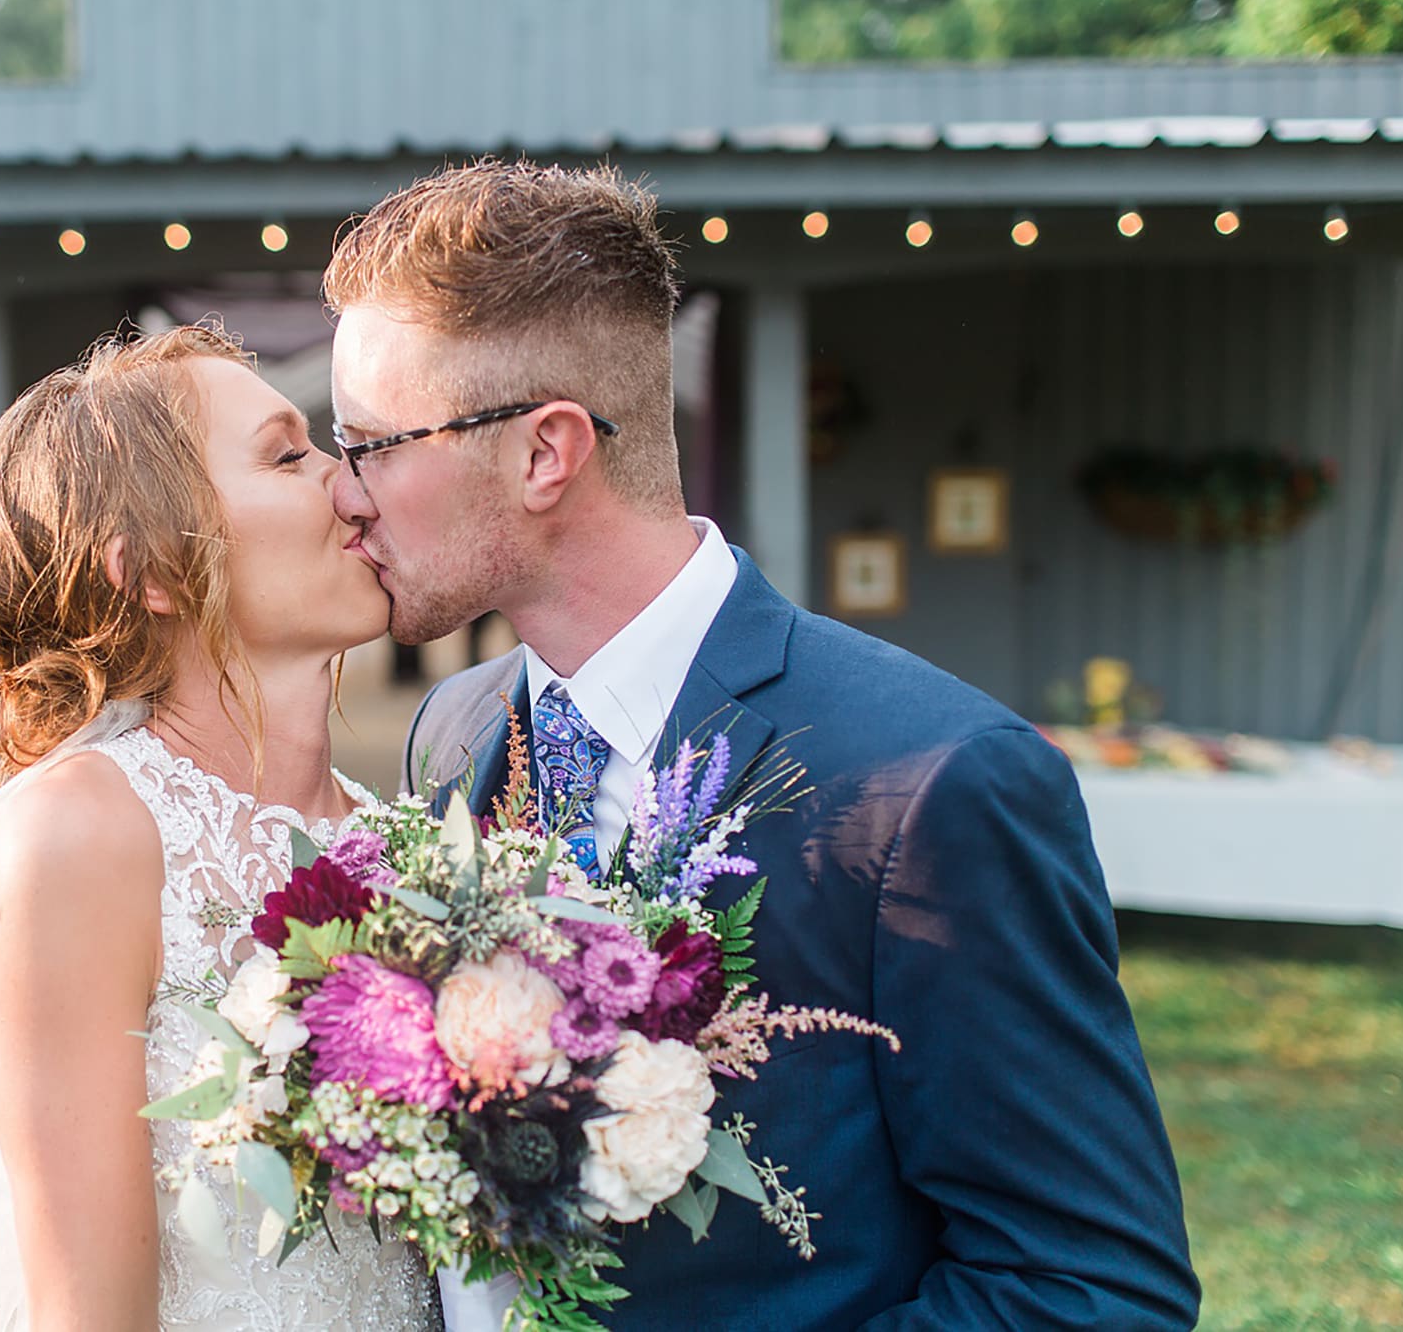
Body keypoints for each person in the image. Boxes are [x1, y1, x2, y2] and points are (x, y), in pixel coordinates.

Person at [325, 161, 1201, 1330]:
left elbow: (1091, 1289)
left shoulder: (929, 785)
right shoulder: (454, 729)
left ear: (545, 452)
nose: (345, 496)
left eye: (373, 443)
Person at [0, 326, 440, 1329]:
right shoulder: (84, 833)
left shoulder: (402, 841)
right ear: (153, 573)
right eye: (287, 455)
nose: (350, 484)